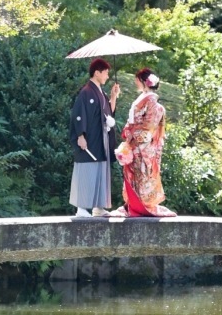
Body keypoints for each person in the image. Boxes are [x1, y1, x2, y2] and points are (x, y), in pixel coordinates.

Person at [113, 67, 176, 217]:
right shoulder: (144, 97)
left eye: (137, 81)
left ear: (143, 81)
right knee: (133, 174)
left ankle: (143, 205)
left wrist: (132, 135)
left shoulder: (151, 99)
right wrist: (129, 130)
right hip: (136, 142)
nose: (136, 83)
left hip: (143, 145)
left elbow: (149, 126)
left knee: (143, 173)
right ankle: (133, 204)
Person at [69, 57, 120, 217]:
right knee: (87, 170)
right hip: (90, 139)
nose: (107, 76)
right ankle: (82, 208)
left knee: (101, 169)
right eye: (105, 73)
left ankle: (99, 206)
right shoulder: (86, 92)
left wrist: (113, 96)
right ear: (97, 73)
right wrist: (80, 135)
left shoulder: (100, 92)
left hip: (101, 138)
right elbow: (78, 114)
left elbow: (107, 113)